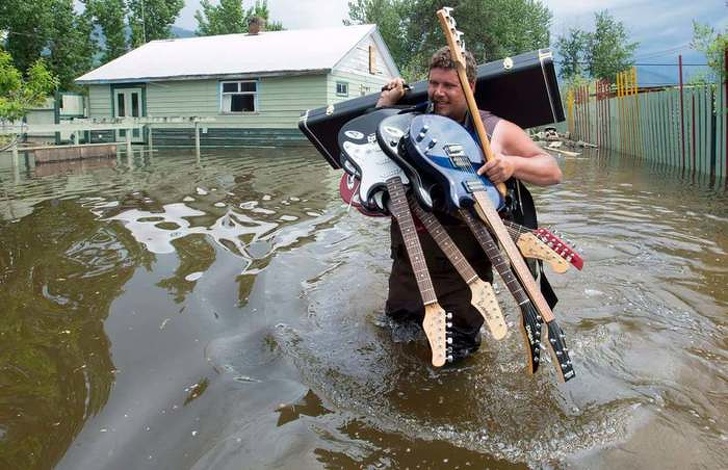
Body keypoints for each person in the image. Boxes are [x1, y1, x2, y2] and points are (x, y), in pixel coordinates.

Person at [375, 46, 562, 363]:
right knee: (396, 347)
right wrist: (386, 105)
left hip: (464, 273)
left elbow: (552, 170)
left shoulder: (493, 131)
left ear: (470, 87)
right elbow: (375, 151)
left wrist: (511, 165)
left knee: (457, 364)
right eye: (434, 83)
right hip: (410, 263)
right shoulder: (413, 120)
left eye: (449, 85)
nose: (438, 93)